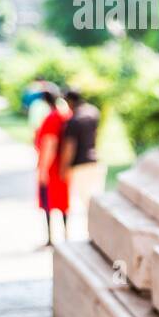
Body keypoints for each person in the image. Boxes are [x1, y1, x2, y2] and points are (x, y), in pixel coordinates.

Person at [60, 89, 105, 233]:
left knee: (86, 203)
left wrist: (63, 168)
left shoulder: (74, 120)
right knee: (95, 200)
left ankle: (94, 233)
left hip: (80, 166)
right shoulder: (93, 112)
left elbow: (69, 147)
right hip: (95, 161)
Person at [32, 84, 71, 246]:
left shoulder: (52, 118)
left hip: (52, 167)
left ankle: (52, 238)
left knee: (50, 202)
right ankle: (65, 235)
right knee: (61, 203)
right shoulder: (64, 115)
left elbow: (50, 143)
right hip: (61, 165)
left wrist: (43, 169)